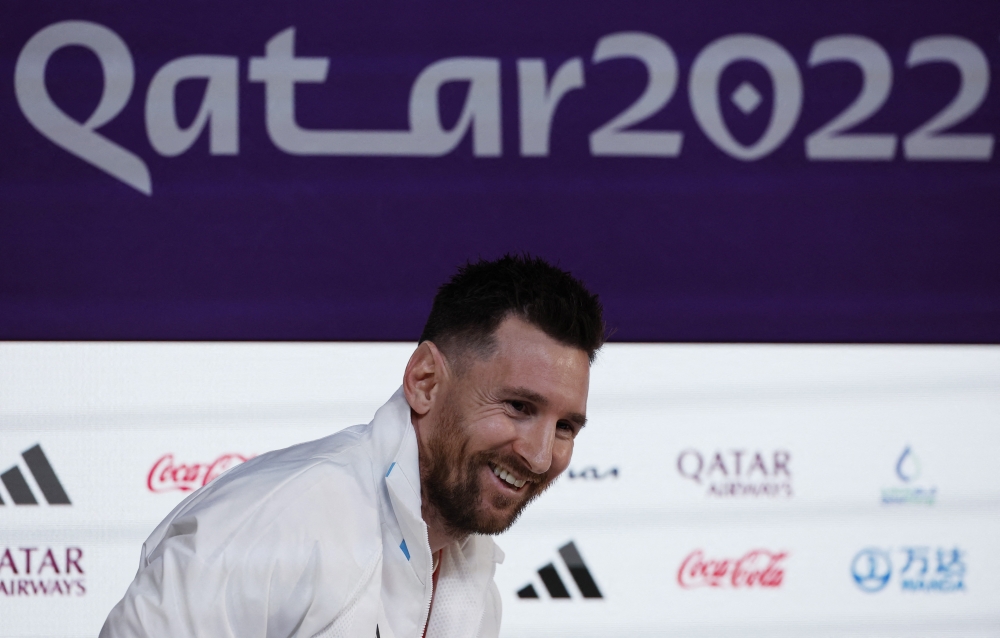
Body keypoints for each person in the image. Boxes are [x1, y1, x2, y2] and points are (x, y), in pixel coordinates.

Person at [100, 254, 605, 638]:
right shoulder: (287, 519)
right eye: (518, 406)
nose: (540, 456)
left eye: (565, 427)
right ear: (426, 381)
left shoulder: (472, 579)